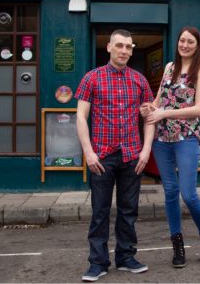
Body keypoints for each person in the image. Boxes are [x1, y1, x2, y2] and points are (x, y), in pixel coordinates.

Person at [75, 29, 155, 282]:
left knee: (128, 210)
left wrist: (146, 151)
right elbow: (80, 117)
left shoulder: (140, 80)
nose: (124, 51)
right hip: (102, 157)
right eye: (120, 45)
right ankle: (97, 263)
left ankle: (126, 257)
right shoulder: (92, 78)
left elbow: (150, 117)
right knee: (99, 211)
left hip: (132, 154)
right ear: (109, 47)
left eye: (129, 47)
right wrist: (88, 153)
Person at [141, 26, 200, 268]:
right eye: (182, 40)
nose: (185, 45)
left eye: (190, 42)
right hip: (162, 140)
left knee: (189, 193)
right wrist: (149, 109)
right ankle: (178, 246)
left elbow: (199, 109)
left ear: (197, 46)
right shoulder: (168, 68)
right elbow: (158, 102)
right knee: (170, 193)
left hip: (186, 137)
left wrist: (165, 113)